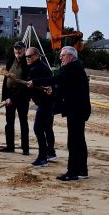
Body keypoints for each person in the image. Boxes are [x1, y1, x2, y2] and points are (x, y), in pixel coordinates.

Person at [29, 46, 91, 182]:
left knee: (74, 142)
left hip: (76, 110)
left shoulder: (72, 67)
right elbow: (66, 87)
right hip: (78, 109)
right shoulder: (75, 68)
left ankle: (73, 172)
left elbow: (56, 79)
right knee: (79, 141)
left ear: (71, 56)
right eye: (60, 56)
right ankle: (82, 170)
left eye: (63, 56)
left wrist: (35, 82)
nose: (60, 58)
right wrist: (55, 92)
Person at [25, 47, 57, 167]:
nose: (27, 58)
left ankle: (43, 158)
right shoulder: (40, 66)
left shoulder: (37, 68)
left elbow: (27, 88)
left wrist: (12, 99)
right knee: (47, 128)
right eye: (26, 57)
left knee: (38, 128)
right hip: (48, 103)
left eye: (30, 56)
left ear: (37, 55)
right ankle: (51, 153)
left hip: (46, 103)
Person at [0, 41, 30, 155]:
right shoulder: (10, 61)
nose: (18, 50)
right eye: (16, 48)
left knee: (23, 122)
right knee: (9, 122)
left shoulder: (27, 63)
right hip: (9, 97)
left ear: (24, 49)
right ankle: (10, 146)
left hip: (22, 97)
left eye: (20, 48)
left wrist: (13, 98)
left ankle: (25, 148)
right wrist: (6, 97)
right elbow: (5, 81)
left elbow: (26, 84)